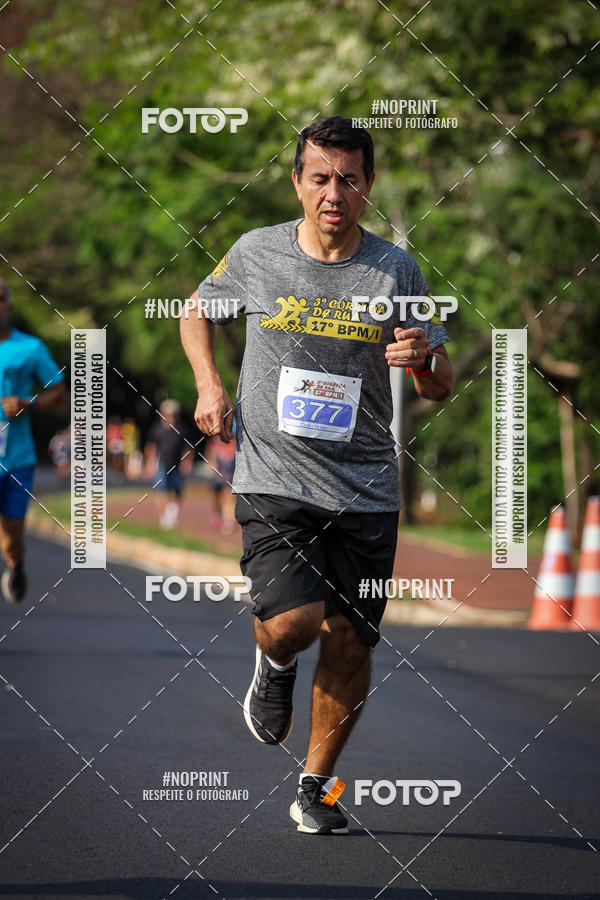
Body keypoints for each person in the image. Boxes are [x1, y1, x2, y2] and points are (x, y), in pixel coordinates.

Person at [180, 117, 454, 834]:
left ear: (369, 185)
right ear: (298, 182)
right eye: (321, 178)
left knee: (351, 642)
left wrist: (424, 358)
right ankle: (274, 665)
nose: (335, 193)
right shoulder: (256, 252)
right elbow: (195, 312)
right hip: (276, 475)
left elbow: (440, 383)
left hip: (366, 486)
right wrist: (209, 384)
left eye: (350, 180)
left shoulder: (396, 270)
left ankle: (315, 786)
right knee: (293, 625)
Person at [0, 279, 66, 603]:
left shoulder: (30, 348)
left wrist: (29, 404)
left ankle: (15, 564)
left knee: (11, 540)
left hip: (17, 460)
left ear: (8, 307)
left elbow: (59, 391)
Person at [144, 399, 194, 529]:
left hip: (177, 465)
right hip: (162, 464)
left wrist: (187, 462)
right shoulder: (157, 429)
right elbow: (151, 447)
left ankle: (172, 513)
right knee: (161, 490)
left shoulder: (182, 429)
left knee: (178, 491)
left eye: (173, 414)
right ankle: (163, 519)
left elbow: (188, 448)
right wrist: (150, 463)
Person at [204, 431, 236, 534]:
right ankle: (217, 515)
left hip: (230, 474)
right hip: (218, 474)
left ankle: (228, 521)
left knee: (229, 497)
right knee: (218, 497)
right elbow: (209, 458)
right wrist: (211, 465)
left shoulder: (236, 444)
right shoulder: (214, 442)